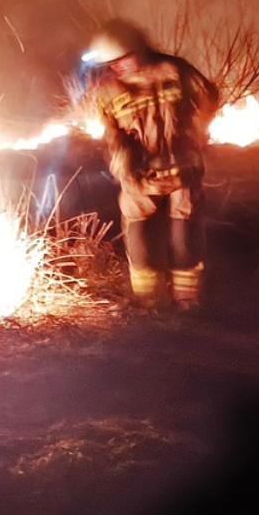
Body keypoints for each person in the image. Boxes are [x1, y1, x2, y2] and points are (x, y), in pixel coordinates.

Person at [79, 19, 221, 310]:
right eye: (113, 63)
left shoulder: (175, 70)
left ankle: (187, 304)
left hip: (182, 171)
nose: (119, 66)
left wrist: (195, 137)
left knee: (185, 241)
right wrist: (124, 164)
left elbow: (208, 98)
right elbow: (112, 133)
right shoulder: (108, 89)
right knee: (140, 242)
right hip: (140, 178)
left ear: (140, 48)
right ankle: (148, 306)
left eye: (124, 58)